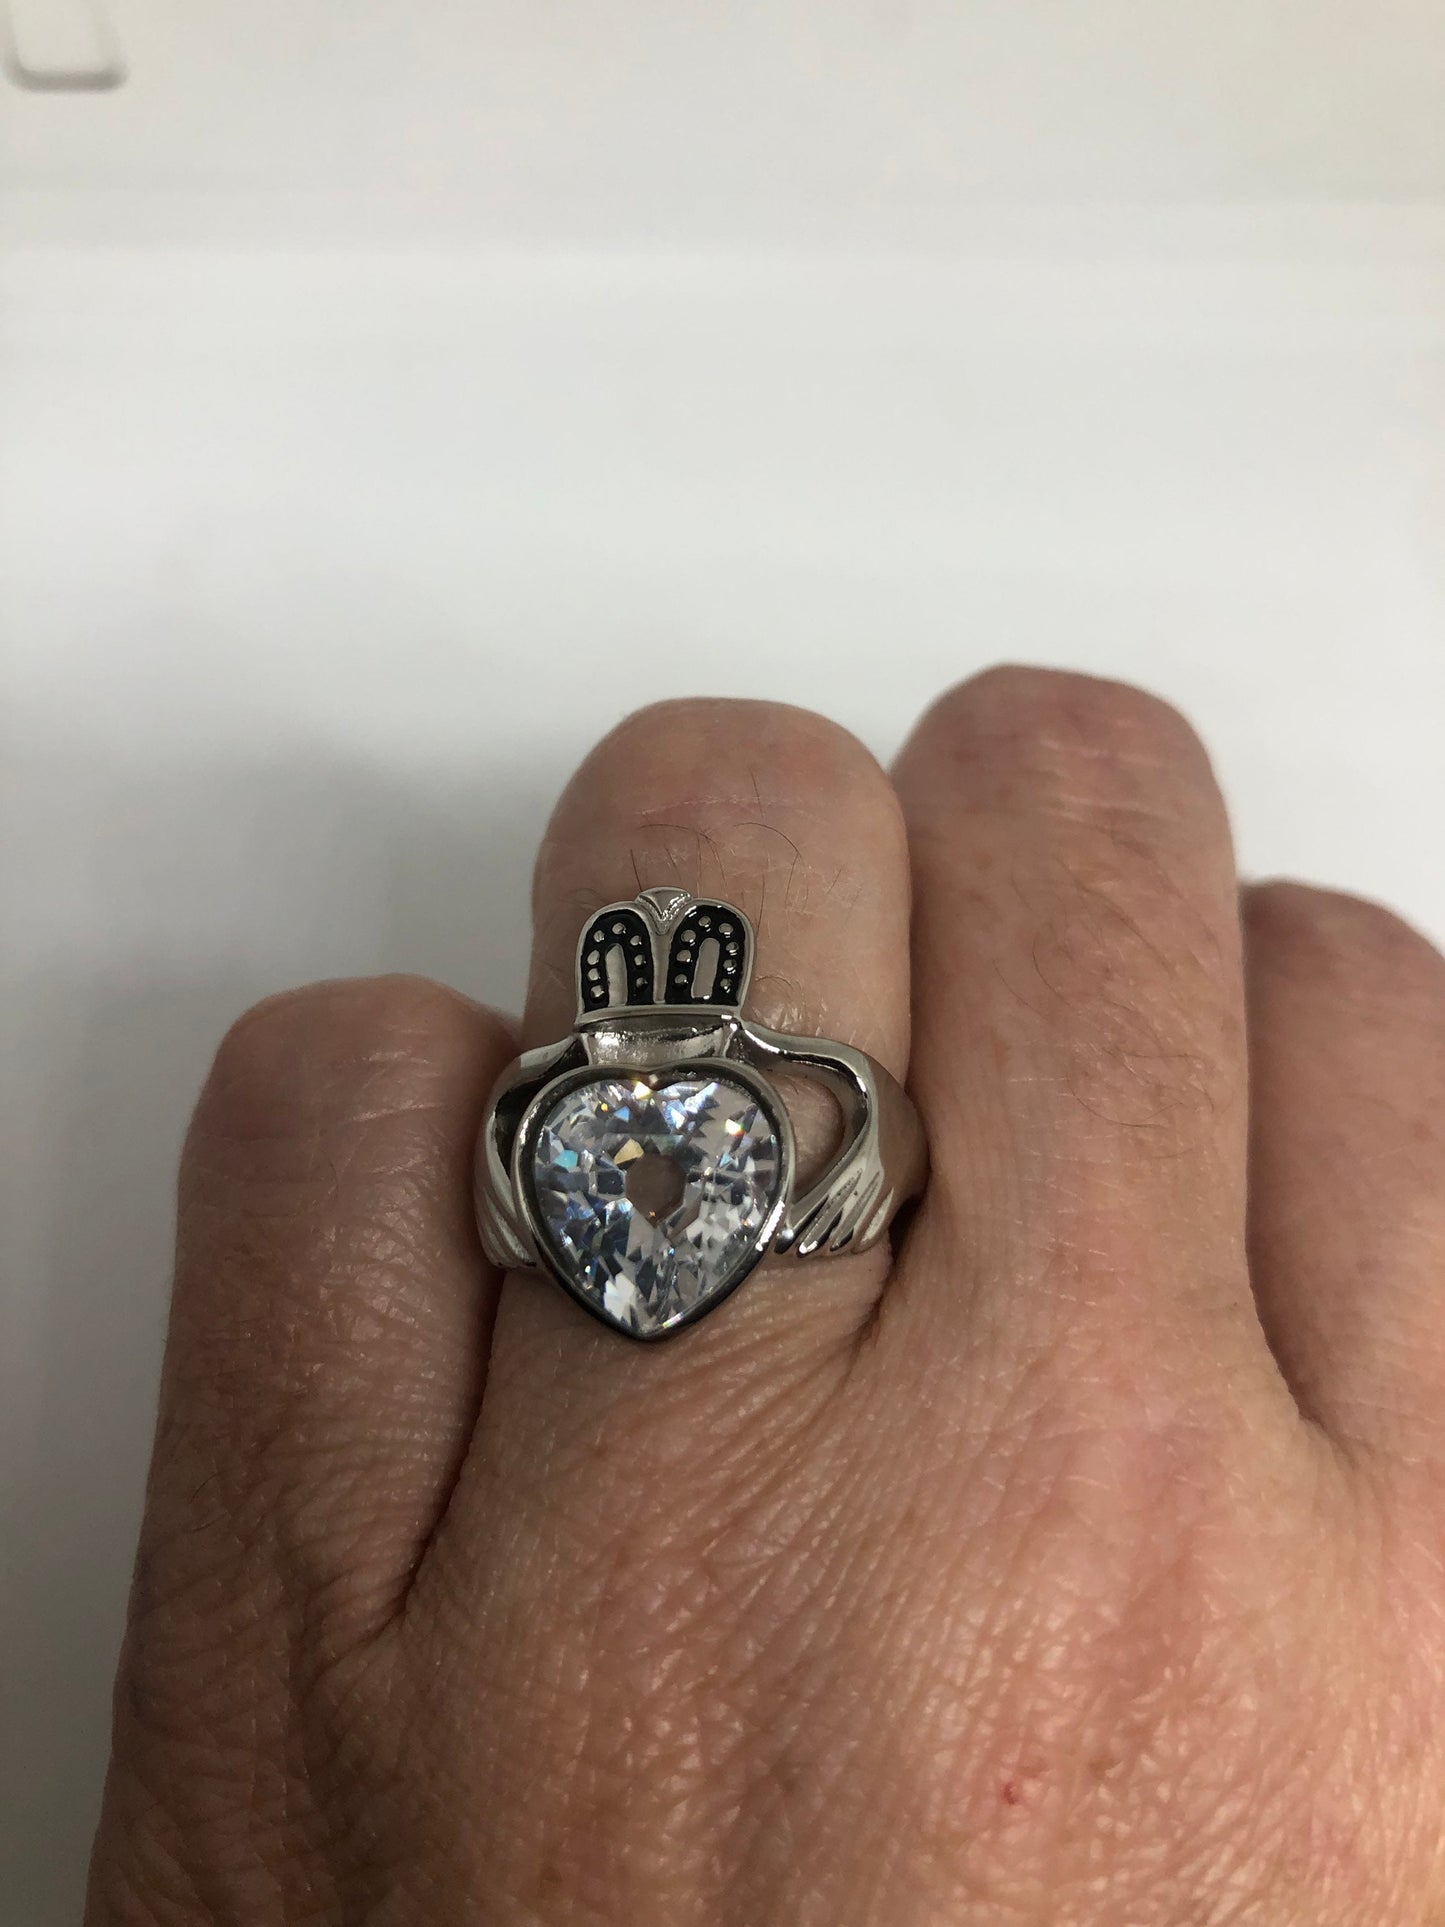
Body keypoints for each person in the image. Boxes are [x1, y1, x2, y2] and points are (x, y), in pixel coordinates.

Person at [85, 669, 1445, 1923]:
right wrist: (537, 1222)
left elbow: (842, 1097)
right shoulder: (571, 1107)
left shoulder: (738, 1089)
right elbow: (521, 1138)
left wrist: (845, 1189)